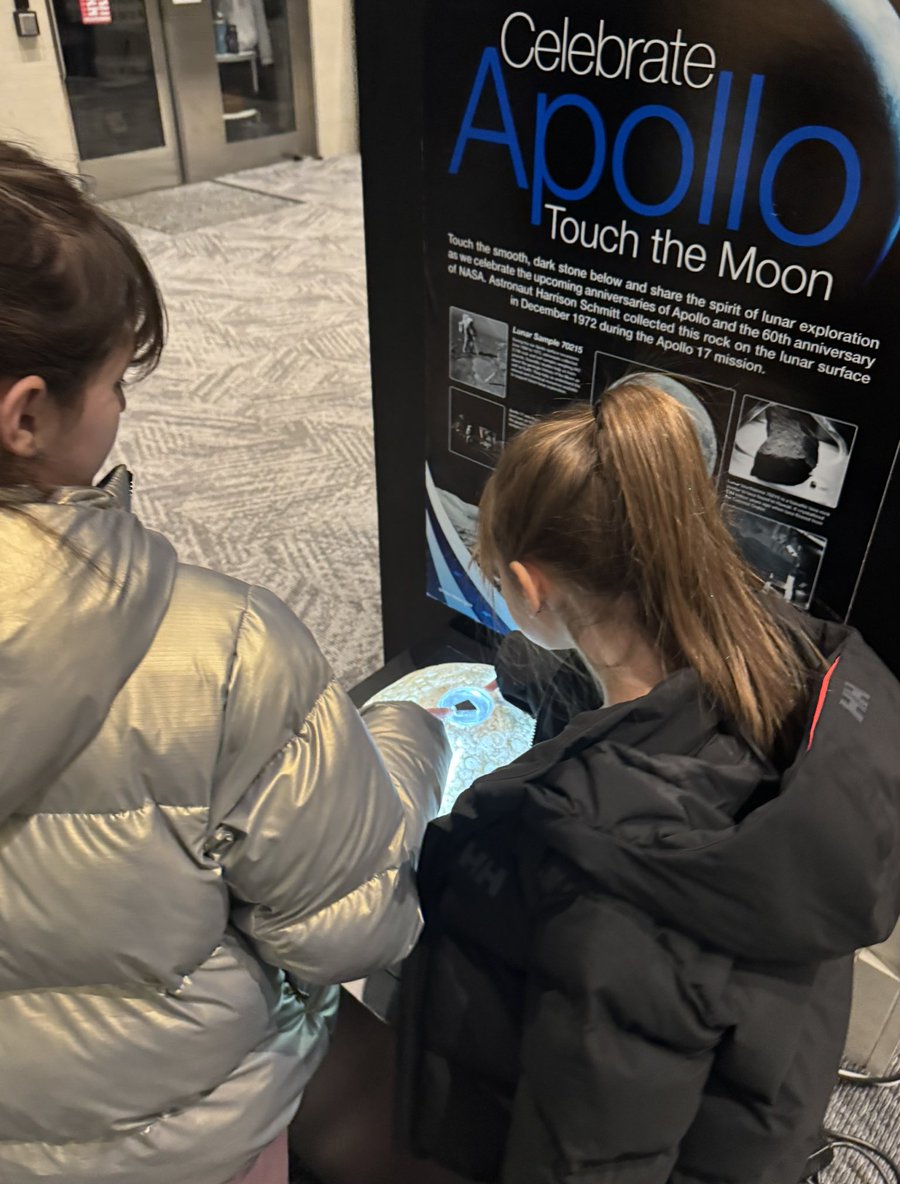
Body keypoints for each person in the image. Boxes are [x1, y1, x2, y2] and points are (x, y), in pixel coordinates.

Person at [0, 142, 450, 1184]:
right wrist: (407, 742)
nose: (121, 409)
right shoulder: (220, 655)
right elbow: (349, 927)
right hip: (189, 1138)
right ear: (26, 415)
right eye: (114, 381)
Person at [395, 381, 900, 1183]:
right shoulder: (797, 673)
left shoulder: (605, 880)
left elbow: (586, 1153)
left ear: (530, 590)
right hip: (758, 1109)